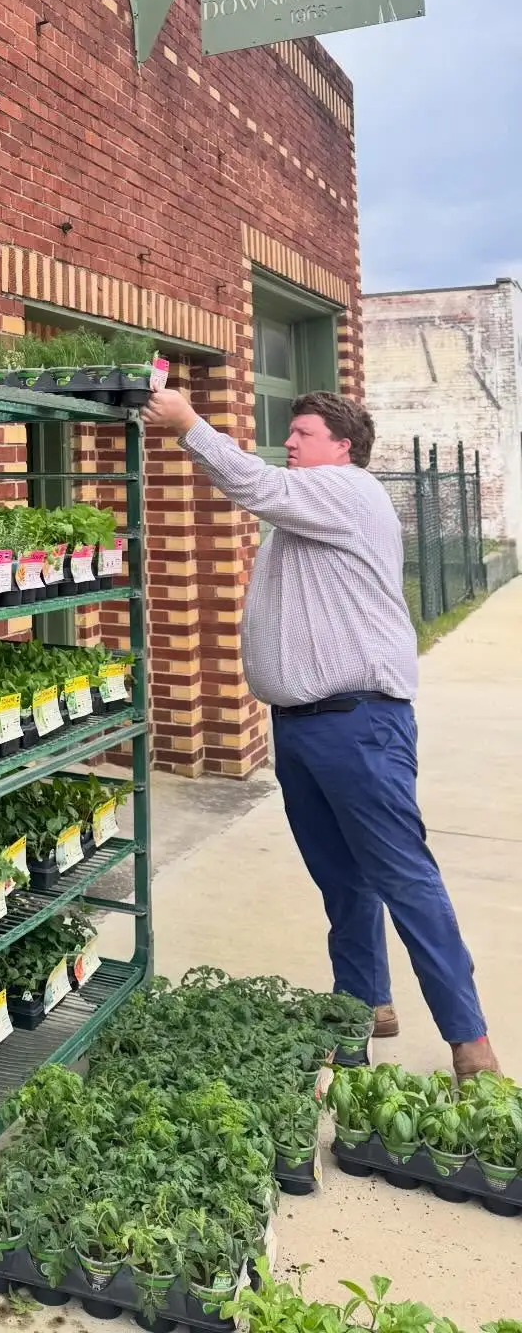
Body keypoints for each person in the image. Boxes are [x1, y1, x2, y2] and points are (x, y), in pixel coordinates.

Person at [143, 382, 498, 1080]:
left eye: (303, 433)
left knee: (403, 877)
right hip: (306, 728)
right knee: (344, 881)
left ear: (343, 447)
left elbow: (252, 481)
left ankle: (471, 1044)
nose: (291, 443)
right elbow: (259, 490)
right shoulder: (307, 512)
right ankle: (363, 1007)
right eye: (293, 433)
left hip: (358, 724)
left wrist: (188, 423)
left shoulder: (349, 490)